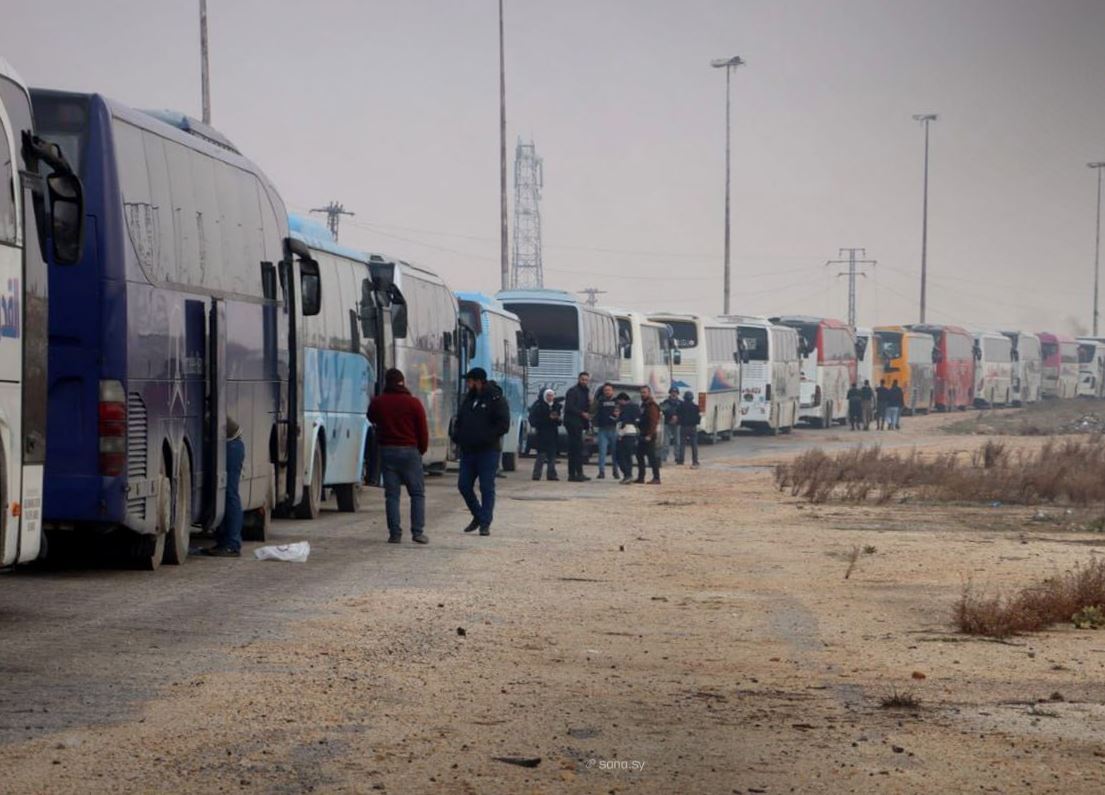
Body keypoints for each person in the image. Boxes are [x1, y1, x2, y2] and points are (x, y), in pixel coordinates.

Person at [367, 368, 430, 544]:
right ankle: (417, 532)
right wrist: (421, 450)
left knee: (392, 495)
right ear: (402, 382)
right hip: (410, 451)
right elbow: (422, 430)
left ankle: (395, 534)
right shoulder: (414, 403)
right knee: (417, 493)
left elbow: (371, 417)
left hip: (387, 451)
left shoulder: (379, 402)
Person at [453, 367, 511, 536]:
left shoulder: (495, 398)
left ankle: (485, 523)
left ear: (478, 382)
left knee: (486, 487)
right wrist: (457, 436)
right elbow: (460, 420)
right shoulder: (469, 399)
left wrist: (486, 437)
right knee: (464, 485)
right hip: (468, 451)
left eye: (469, 381)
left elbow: (503, 425)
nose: (467, 384)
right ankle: (478, 515)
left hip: (487, 451)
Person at [205, 418, 246, 556]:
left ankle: (232, 544)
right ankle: (225, 542)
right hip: (229, 444)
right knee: (224, 494)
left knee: (229, 493)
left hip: (231, 445)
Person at [563, 372, 592, 482]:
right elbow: (569, 407)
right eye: (582, 379)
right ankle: (572, 474)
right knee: (574, 449)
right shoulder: (573, 391)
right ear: (579, 379)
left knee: (578, 448)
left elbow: (586, 407)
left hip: (580, 423)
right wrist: (582, 413)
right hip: (572, 422)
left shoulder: (586, 392)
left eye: (586, 380)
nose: (584, 381)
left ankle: (579, 473)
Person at [529, 388, 561, 481]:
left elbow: (559, 422)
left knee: (552, 455)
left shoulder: (556, 406)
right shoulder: (538, 406)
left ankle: (551, 474)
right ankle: (536, 474)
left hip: (553, 433)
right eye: (548, 396)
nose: (550, 397)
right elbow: (533, 420)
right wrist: (547, 418)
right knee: (541, 455)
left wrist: (556, 419)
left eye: (551, 395)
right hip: (542, 433)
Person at [592, 382, 621, 480]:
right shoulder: (599, 401)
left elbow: (620, 414)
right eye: (605, 390)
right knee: (602, 452)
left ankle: (615, 471)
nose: (607, 392)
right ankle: (601, 472)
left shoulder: (617, 402)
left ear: (612, 391)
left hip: (614, 429)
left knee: (615, 452)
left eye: (609, 390)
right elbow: (593, 412)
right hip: (602, 430)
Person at [635, 385, 662, 484]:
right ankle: (641, 477)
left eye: (644, 392)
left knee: (651, 457)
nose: (642, 394)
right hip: (643, 434)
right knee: (639, 455)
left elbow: (653, 422)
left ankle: (656, 478)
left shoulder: (652, 406)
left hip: (649, 435)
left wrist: (650, 435)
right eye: (641, 392)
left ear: (649, 393)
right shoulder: (643, 405)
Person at [616, 392, 640, 484]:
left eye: (619, 401)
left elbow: (624, 422)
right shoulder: (635, 407)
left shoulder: (627, 408)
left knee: (621, 456)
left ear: (622, 400)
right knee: (627, 456)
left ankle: (627, 475)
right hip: (632, 433)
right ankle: (628, 475)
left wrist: (620, 433)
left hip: (626, 434)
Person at [676, 390, 701, 467]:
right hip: (692, 427)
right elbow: (698, 418)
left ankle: (681, 460)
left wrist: (679, 422)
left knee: (682, 444)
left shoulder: (681, 406)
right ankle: (695, 461)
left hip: (683, 426)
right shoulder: (696, 407)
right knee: (694, 445)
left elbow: (678, 415)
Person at [660, 387, 682, 463]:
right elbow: (662, 409)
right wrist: (672, 416)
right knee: (666, 442)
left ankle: (677, 457)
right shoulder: (666, 402)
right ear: (670, 393)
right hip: (668, 423)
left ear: (677, 393)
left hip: (677, 423)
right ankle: (664, 457)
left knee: (677, 441)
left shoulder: (680, 403)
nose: (674, 393)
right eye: (672, 392)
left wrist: (677, 417)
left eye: (675, 392)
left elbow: (683, 412)